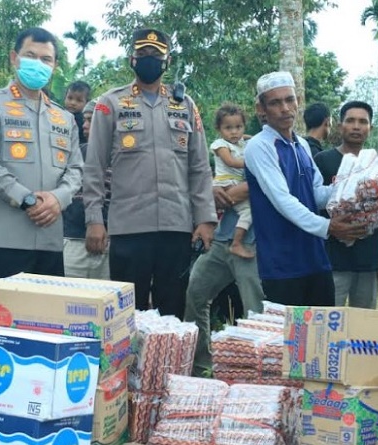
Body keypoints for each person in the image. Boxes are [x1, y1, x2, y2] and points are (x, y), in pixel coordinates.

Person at [83, 28, 216, 318]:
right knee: (127, 315)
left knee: (173, 314)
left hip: (176, 228)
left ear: (167, 61)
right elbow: (94, 167)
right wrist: (94, 220)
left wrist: (205, 219)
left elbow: (199, 167)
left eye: (156, 54)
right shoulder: (110, 103)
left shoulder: (185, 104)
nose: (149, 59)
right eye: (142, 53)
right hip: (129, 228)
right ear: (131, 59)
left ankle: (170, 352)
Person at [0, 27, 82, 313]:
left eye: (46, 59)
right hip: (4, 241)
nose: (38, 64)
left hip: (50, 243)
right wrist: (27, 199)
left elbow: (76, 170)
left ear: (54, 66)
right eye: (31, 56)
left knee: (46, 323)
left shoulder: (64, 118)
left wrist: (58, 199)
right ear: (14, 58)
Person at [244, 71, 367, 306]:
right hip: (282, 263)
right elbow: (282, 200)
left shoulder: (301, 145)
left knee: (322, 327)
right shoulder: (259, 146)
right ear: (261, 109)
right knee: (288, 330)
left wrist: (356, 189)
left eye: (289, 100)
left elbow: (317, 194)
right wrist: (328, 226)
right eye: (275, 103)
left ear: (298, 101)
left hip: (315, 258)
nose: (284, 108)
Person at [184, 182, 265, 376]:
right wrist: (213, 191)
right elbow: (215, 190)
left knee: (255, 311)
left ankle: (256, 376)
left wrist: (217, 196)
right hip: (221, 237)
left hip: (253, 243)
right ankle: (201, 368)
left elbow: (248, 188)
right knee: (195, 295)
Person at [314, 100, 378, 309]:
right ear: (340, 126)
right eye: (351, 121)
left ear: (370, 128)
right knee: (329, 316)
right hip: (333, 257)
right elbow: (313, 206)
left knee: (364, 319)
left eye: (363, 122)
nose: (356, 126)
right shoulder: (323, 160)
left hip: (368, 256)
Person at [63, 100, 111, 279]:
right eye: (84, 120)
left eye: (91, 120)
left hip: (111, 245)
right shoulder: (76, 154)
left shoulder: (126, 158)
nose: (84, 125)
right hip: (74, 241)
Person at [211, 103, 254, 259]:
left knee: (248, 212)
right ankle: (236, 243)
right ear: (219, 129)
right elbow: (231, 162)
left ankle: (236, 243)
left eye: (238, 127)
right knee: (248, 208)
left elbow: (245, 137)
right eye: (228, 128)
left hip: (235, 182)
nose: (234, 132)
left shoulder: (240, 142)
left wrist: (253, 137)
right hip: (225, 183)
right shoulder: (220, 145)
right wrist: (253, 163)